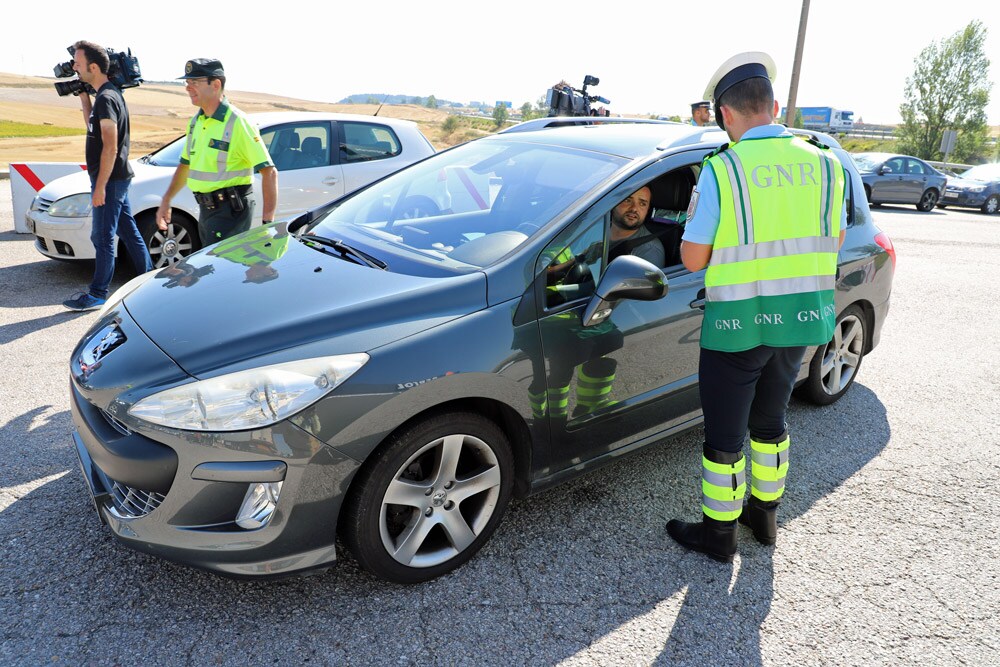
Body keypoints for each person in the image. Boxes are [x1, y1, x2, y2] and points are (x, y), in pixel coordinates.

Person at [665, 52, 847, 562]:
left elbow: (693, 258)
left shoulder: (724, 170)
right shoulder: (826, 164)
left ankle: (718, 535)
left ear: (725, 114)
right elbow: (831, 241)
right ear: (771, 104)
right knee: (771, 423)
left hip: (739, 323)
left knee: (725, 435)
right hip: (802, 319)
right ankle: (764, 517)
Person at [62, 40, 152, 311]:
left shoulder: (108, 97)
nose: (74, 68)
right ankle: (149, 281)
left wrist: (100, 186)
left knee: (101, 237)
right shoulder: (105, 95)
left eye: (78, 64)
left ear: (93, 66)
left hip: (110, 180)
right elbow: (93, 128)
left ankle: (98, 293)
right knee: (128, 231)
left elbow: (111, 145)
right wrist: (82, 96)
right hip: (115, 178)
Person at [156, 58, 277, 247]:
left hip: (231, 211)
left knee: (222, 271)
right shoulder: (196, 122)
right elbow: (185, 165)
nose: (188, 88)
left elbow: (269, 172)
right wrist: (166, 199)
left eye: (194, 82)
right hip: (207, 211)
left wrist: (267, 225)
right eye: (187, 83)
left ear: (216, 84)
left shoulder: (238, 122)